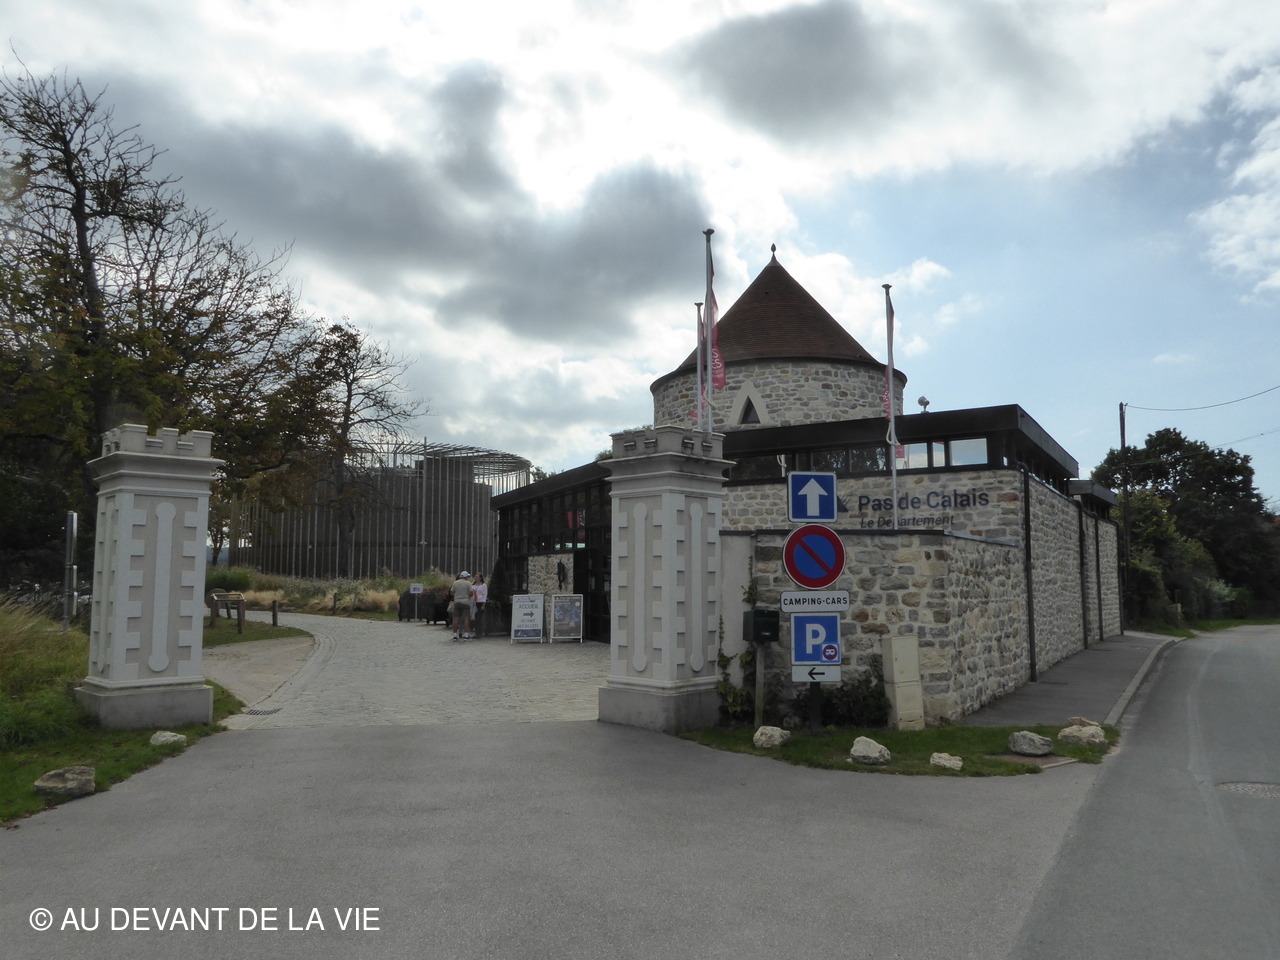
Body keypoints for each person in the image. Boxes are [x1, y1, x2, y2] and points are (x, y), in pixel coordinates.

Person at [450, 571, 473, 641]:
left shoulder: (455, 583)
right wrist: (467, 596)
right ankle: (466, 635)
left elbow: (451, 592)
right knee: (466, 619)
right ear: (466, 577)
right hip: (465, 602)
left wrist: (456, 596)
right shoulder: (468, 583)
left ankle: (455, 635)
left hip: (457, 602)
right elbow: (471, 593)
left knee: (456, 619)